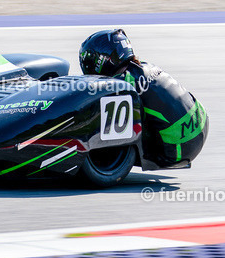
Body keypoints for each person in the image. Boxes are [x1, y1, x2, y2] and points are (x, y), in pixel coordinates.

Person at [79, 28, 208, 167]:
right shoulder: (144, 67)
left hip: (178, 147)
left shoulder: (123, 82)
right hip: (201, 124)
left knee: (103, 131)